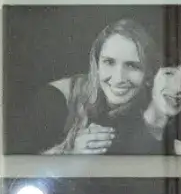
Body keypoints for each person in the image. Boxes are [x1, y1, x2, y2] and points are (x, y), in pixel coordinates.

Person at [47, 18, 158, 154]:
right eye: (109, 62)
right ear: (96, 64)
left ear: (148, 74)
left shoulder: (154, 107)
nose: (119, 79)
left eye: (132, 65)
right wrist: (71, 154)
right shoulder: (56, 98)